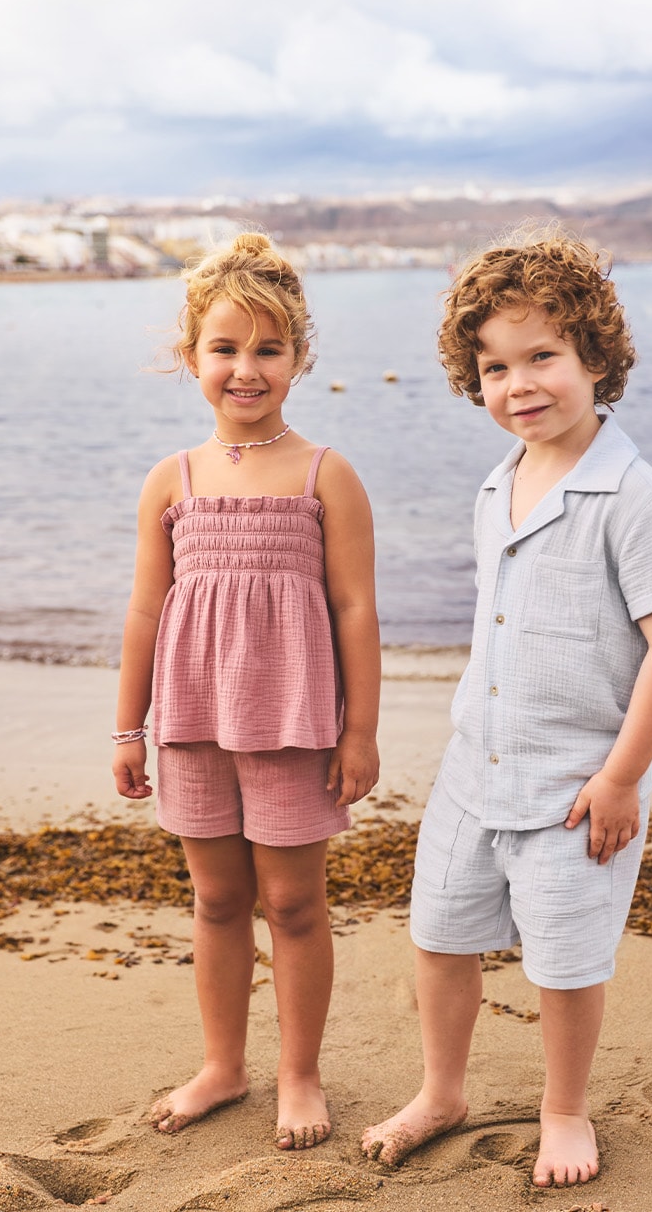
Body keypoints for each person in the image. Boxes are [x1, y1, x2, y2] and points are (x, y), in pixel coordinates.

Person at [360, 227, 652, 1188]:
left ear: (594, 355)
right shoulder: (497, 482)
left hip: (577, 787)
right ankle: (442, 1092)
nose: (520, 385)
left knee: (565, 964)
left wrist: (622, 779)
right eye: (496, 368)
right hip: (474, 770)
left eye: (542, 356)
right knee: (440, 937)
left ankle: (564, 1110)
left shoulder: (633, 495)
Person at [112, 233, 381, 1151]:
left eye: (269, 349)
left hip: (294, 725)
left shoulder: (325, 474)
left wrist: (360, 732)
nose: (245, 369)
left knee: (295, 905)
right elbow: (146, 611)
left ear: (299, 358)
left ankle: (299, 1073)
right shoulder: (171, 480)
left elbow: (355, 610)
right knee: (218, 901)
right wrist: (127, 729)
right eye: (224, 348)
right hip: (192, 723)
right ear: (191, 358)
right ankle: (223, 1065)